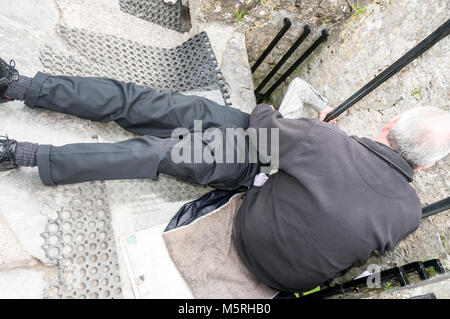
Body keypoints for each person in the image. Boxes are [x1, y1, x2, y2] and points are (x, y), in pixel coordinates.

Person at [1, 57, 449, 292]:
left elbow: (261, 121)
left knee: (155, 126)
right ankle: (22, 142)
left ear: (388, 127)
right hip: (283, 234)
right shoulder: (409, 213)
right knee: (164, 137)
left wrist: (312, 133)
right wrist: (318, 145)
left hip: (257, 188)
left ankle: (22, 104)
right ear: (426, 166)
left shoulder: (326, 141)